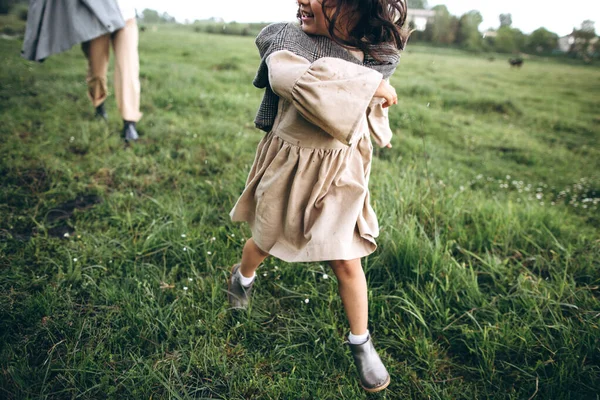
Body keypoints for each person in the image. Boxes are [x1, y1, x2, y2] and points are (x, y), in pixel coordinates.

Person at [228, 0, 408, 393]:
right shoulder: (286, 39)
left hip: (341, 171)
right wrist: (367, 85)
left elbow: (366, 105)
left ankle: (360, 342)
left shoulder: (371, 55)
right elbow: (287, 78)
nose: (302, 1)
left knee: (347, 257)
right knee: (264, 240)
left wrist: (377, 110)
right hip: (291, 163)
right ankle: (242, 278)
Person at [82, 0, 142, 142]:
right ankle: (99, 104)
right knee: (97, 71)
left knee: (128, 69)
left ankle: (129, 122)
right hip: (97, 19)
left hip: (126, 18)